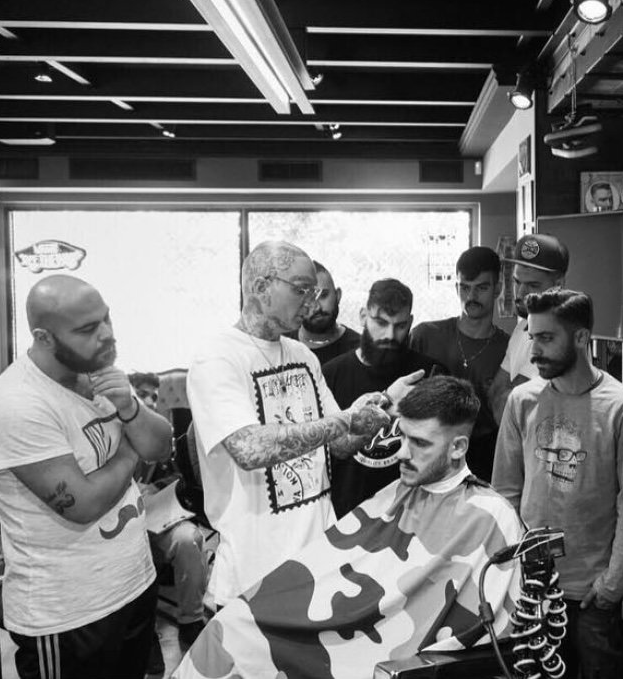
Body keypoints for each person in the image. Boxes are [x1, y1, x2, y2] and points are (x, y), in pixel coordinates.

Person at [173, 377, 524, 679]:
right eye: (402, 436)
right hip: (342, 640)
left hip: (403, 664)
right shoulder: (397, 492)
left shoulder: (492, 518)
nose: (401, 452)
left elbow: (496, 641)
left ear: (458, 447)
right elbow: (325, 567)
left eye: (420, 443)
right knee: (229, 629)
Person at [186, 241, 418, 608]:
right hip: (253, 577)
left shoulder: (302, 355)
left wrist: (384, 404)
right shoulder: (218, 358)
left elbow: (340, 443)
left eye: (314, 291)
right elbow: (250, 448)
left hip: (318, 566)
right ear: (261, 287)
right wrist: (343, 420)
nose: (311, 302)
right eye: (300, 289)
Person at [0, 274, 173, 679]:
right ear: (43, 337)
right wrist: (127, 448)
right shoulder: (16, 403)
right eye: (87, 329)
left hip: (133, 583)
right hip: (68, 613)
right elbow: (82, 504)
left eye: (106, 319)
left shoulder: (96, 373)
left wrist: (131, 411)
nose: (106, 335)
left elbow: (160, 446)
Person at [492, 288, 623, 679]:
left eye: (546, 338)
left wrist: (614, 582)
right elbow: (505, 493)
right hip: (533, 587)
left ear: (581, 338)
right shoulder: (522, 401)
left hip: (593, 592)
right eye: (533, 337)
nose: (534, 352)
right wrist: (510, 572)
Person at [321, 278, 446, 517]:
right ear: (362, 316)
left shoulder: (430, 374)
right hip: (347, 515)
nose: (389, 334)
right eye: (380, 322)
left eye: (399, 326)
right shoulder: (330, 376)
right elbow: (327, 452)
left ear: (410, 323)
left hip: (413, 514)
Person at [410, 246, 508, 479]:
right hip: (429, 452)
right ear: (456, 287)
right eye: (465, 288)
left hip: (485, 459)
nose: (472, 297)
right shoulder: (426, 335)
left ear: (498, 289)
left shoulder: (509, 348)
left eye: (482, 288)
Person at [127, 372, 208, 651]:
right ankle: (143, 637)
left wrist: (156, 486)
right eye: (142, 393)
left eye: (153, 395)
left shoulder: (163, 434)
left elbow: (181, 476)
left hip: (159, 517)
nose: (150, 400)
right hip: (119, 526)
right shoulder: (109, 432)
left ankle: (191, 621)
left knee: (189, 539)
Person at [487, 233, 568, 423]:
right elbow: (496, 395)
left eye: (532, 285)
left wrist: (505, 398)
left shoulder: (557, 335)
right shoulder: (523, 326)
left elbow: (509, 407)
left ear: (558, 285)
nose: (521, 293)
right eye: (517, 282)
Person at [288, 261, 360, 365]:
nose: (316, 307)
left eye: (323, 295)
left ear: (338, 296)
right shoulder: (279, 345)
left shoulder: (360, 353)